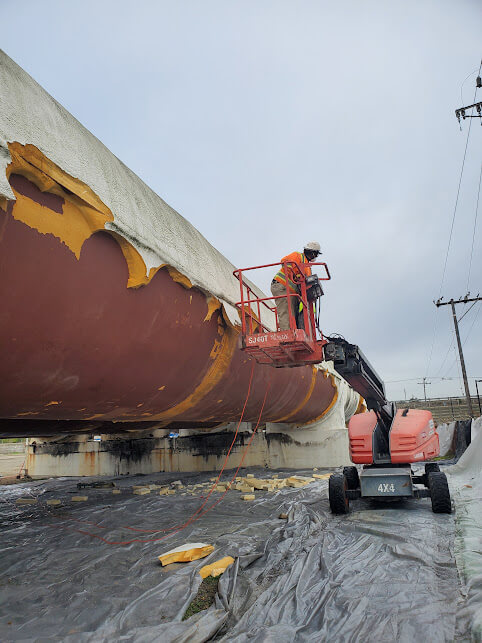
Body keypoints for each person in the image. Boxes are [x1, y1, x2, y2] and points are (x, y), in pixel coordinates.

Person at [270, 242, 322, 330]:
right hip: (281, 286)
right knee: (286, 313)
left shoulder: (307, 266)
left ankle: (292, 332)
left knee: (292, 315)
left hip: (292, 292)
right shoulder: (298, 256)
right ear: (312, 253)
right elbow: (284, 262)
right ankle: (287, 336)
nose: (315, 257)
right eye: (316, 255)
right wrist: (295, 274)